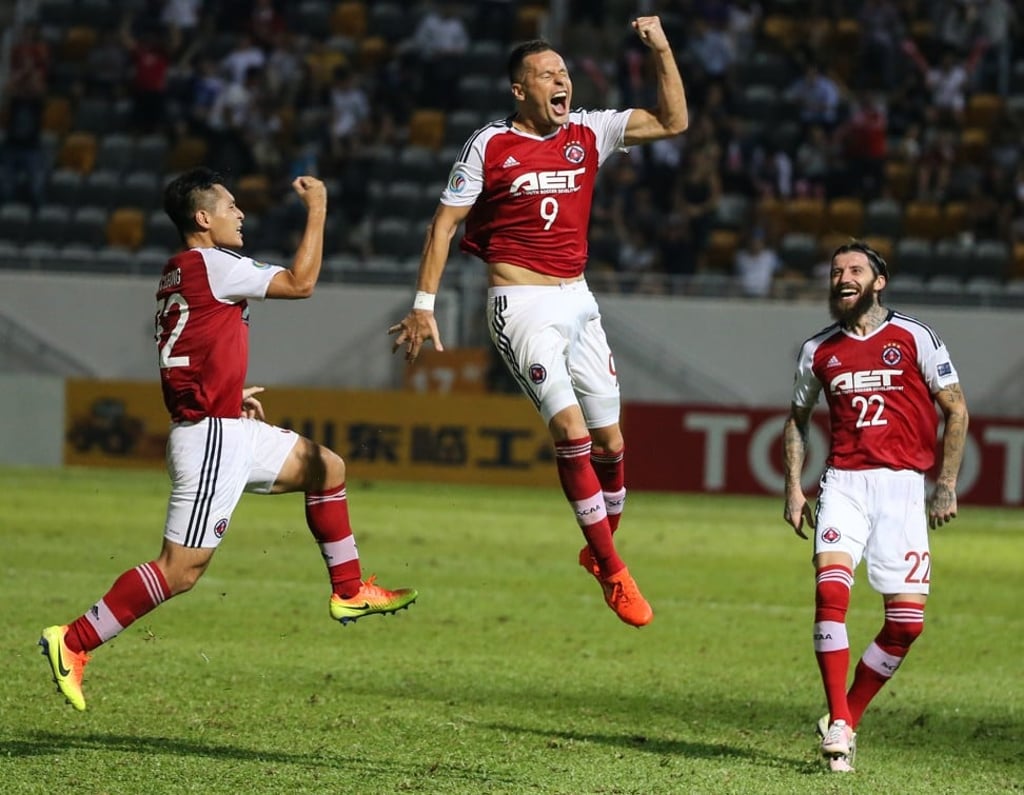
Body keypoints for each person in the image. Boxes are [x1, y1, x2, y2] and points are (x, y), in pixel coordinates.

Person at [40, 168, 417, 711]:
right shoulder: (215, 264)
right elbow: (301, 282)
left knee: (326, 467)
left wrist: (228, 392)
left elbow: (192, 346)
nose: (240, 215)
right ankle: (72, 641)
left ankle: (349, 590)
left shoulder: (178, 272)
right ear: (203, 218)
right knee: (181, 569)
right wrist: (319, 208)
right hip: (211, 438)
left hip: (225, 425)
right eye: (230, 207)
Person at [388, 17, 688, 628]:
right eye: (547, 75)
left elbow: (674, 121)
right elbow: (443, 225)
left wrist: (660, 48)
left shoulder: (589, 131)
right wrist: (424, 303)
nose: (562, 81)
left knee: (612, 443)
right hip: (520, 306)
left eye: (565, 73)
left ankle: (598, 549)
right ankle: (613, 569)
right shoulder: (487, 145)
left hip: (580, 300)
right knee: (572, 433)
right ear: (519, 90)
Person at [782, 241, 969, 772]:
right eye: (836, 271)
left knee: (907, 626)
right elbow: (796, 417)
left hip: (904, 489)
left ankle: (848, 716)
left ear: (878, 281)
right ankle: (838, 723)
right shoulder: (817, 349)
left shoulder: (915, 337)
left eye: (855, 270)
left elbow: (956, 410)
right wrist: (795, 487)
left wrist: (946, 483)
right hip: (843, 484)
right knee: (830, 591)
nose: (843, 278)